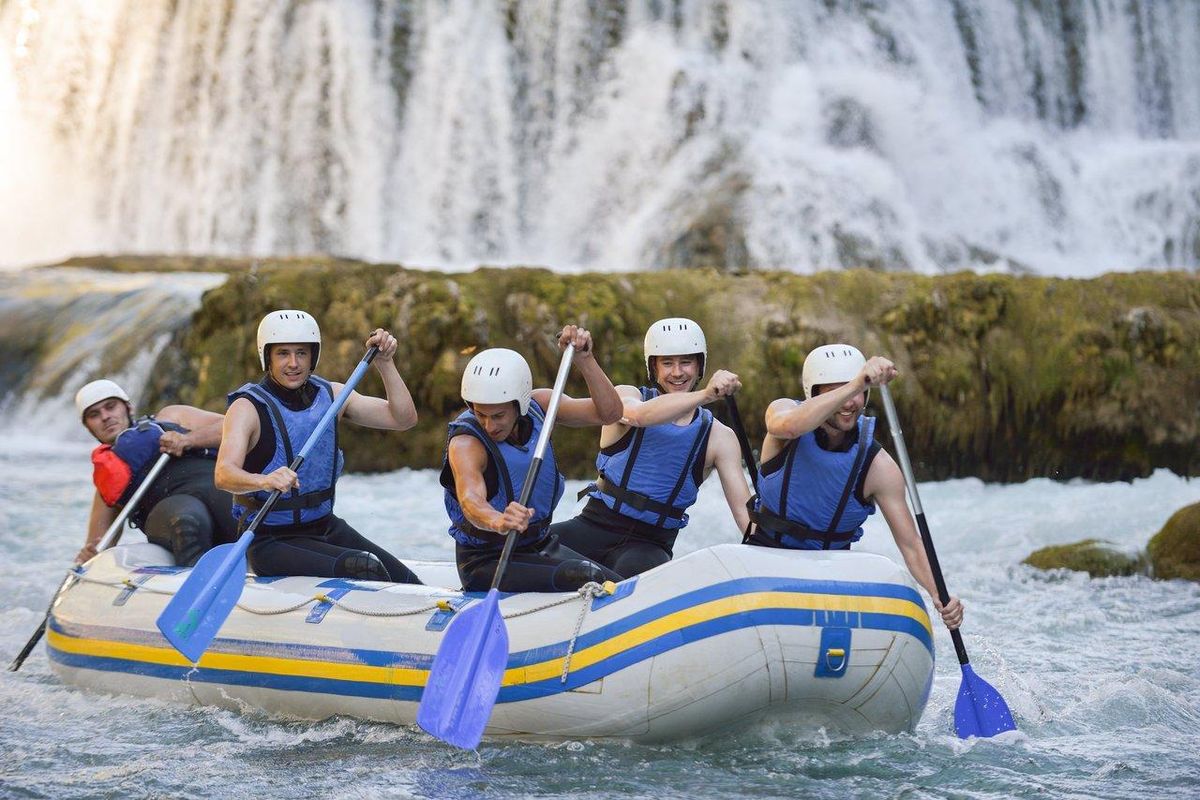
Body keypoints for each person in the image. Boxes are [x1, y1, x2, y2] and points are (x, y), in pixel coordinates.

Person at [747, 343, 964, 630]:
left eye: (858, 392)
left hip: (831, 574)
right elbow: (787, 426)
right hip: (766, 559)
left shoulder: (879, 467)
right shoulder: (784, 413)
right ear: (813, 393)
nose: (849, 403)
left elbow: (911, 544)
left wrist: (939, 593)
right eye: (836, 391)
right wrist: (856, 382)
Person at [215, 309, 422, 583]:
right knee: (363, 568)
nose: (293, 363)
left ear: (313, 355)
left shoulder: (334, 395)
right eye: (283, 353)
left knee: (407, 582)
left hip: (324, 527)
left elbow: (403, 419)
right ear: (267, 356)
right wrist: (264, 480)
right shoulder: (247, 408)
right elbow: (223, 474)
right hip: (270, 540)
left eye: (301, 352)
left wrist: (385, 363)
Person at [551, 317, 752, 577]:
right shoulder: (626, 396)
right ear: (653, 368)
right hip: (594, 524)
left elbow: (745, 517)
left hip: (650, 545)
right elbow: (638, 416)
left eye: (686, 362)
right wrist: (706, 396)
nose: (677, 372)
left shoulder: (720, 437)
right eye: (667, 363)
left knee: (630, 575)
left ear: (700, 366)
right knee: (527, 546)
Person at [441, 325, 626, 593]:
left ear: (520, 403)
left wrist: (585, 360)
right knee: (584, 575)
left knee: (618, 585)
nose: (489, 426)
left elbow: (609, 413)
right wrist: (498, 521)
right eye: (481, 415)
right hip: (488, 562)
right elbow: (471, 499)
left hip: (539, 546)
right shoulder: (466, 443)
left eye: (498, 416)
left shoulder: (541, 407)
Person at [75, 379, 238, 566]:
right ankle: (198, 585)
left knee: (238, 511)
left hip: (216, 491)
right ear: (88, 427)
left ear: (128, 408)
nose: (105, 416)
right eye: (94, 415)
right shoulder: (108, 482)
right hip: (170, 516)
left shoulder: (171, 416)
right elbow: (99, 544)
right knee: (185, 520)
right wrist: (88, 555)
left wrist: (189, 439)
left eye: (110, 407)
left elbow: (236, 428)